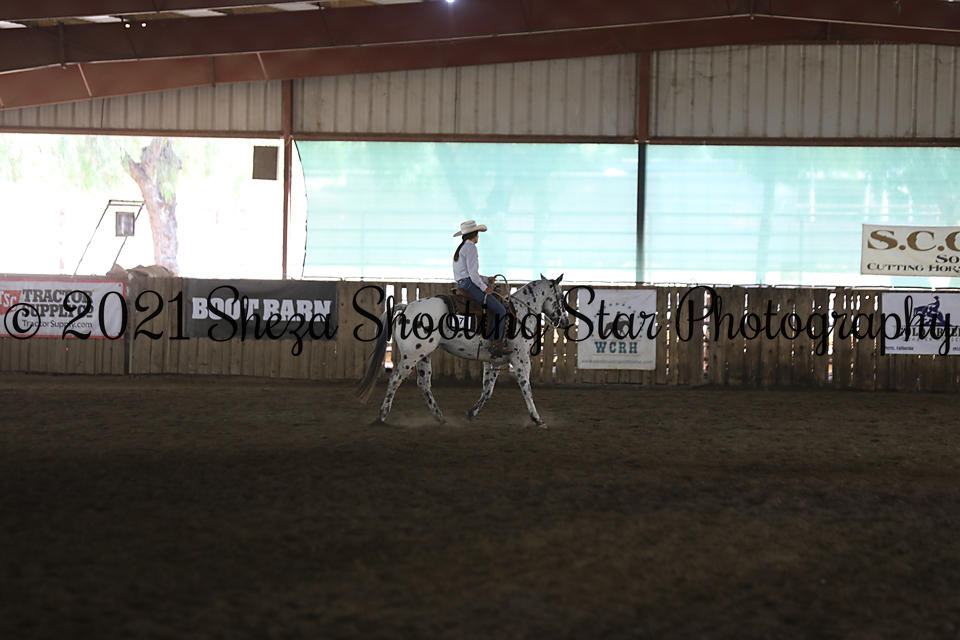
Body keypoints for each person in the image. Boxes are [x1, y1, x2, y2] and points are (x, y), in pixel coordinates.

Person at [452, 220, 508, 357]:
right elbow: (472, 275)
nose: (478, 237)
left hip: (461, 285)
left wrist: (486, 279)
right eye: (477, 234)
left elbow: (469, 274)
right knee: (500, 310)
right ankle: (495, 343)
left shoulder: (461, 248)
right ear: (474, 234)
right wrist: (484, 288)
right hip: (470, 286)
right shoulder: (471, 248)